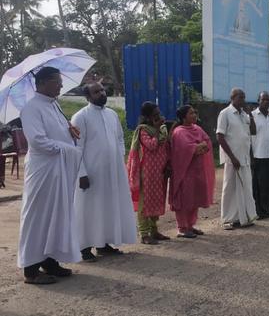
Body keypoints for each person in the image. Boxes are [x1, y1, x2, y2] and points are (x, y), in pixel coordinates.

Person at [18, 67, 82, 284]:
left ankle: (50, 260)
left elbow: (57, 134)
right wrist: (69, 149)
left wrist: (69, 132)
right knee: (38, 216)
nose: (61, 85)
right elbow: (38, 141)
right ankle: (31, 269)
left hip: (59, 170)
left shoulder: (54, 105)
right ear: (43, 83)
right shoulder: (31, 108)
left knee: (57, 215)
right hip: (43, 171)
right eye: (57, 81)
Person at [72, 82, 137, 262]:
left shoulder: (112, 114)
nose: (101, 93)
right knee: (88, 210)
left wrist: (119, 158)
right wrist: (81, 173)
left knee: (107, 207)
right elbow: (76, 148)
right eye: (96, 92)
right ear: (87, 97)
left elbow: (119, 138)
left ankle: (103, 244)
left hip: (112, 171)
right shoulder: (80, 117)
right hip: (91, 173)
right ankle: (84, 247)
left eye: (102, 90)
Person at [127, 102, 170, 244]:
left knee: (156, 200)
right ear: (148, 116)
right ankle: (144, 234)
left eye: (159, 113)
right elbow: (151, 145)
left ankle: (154, 230)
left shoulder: (162, 128)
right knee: (144, 202)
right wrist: (157, 130)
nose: (158, 116)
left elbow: (166, 147)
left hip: (159, 171)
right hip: (147, 172)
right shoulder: (143, 130)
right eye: (155, 114)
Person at [169, 105, 215, 238]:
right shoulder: (179, 132)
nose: (194, 115)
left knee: (195, 198)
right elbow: (184, 149)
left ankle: (190, 225)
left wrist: (200, 146)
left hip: (197, 170)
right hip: (185, 171)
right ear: (184, 117)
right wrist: (197, 147)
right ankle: (182, 228)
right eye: (191, 113)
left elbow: (207, 141)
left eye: (195, 112)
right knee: (185, 199)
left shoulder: (197, 129)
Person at [216, 88, 258, 229]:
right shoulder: (225, 113)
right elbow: (220, 136)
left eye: (244, 97)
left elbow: (253, 131)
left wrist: (250, 115)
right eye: (240, 97)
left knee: (245, 187)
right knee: (230, 188)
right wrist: (232, 157)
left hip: (244, 158)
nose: (243, 100)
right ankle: (228, 219)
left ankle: (243, 217)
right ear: (232, 97)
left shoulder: (243, 115)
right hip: (232, 159)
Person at [251, 92, 269, 220]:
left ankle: (267, 210)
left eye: (268, 100)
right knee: (257, 186)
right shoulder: (251, 116)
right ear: (258, 100)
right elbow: (248, 139)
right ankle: (258, 211)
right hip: (257, 156)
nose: (266, 102)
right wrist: (251, 157)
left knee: (268, 185)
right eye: (264, 99)